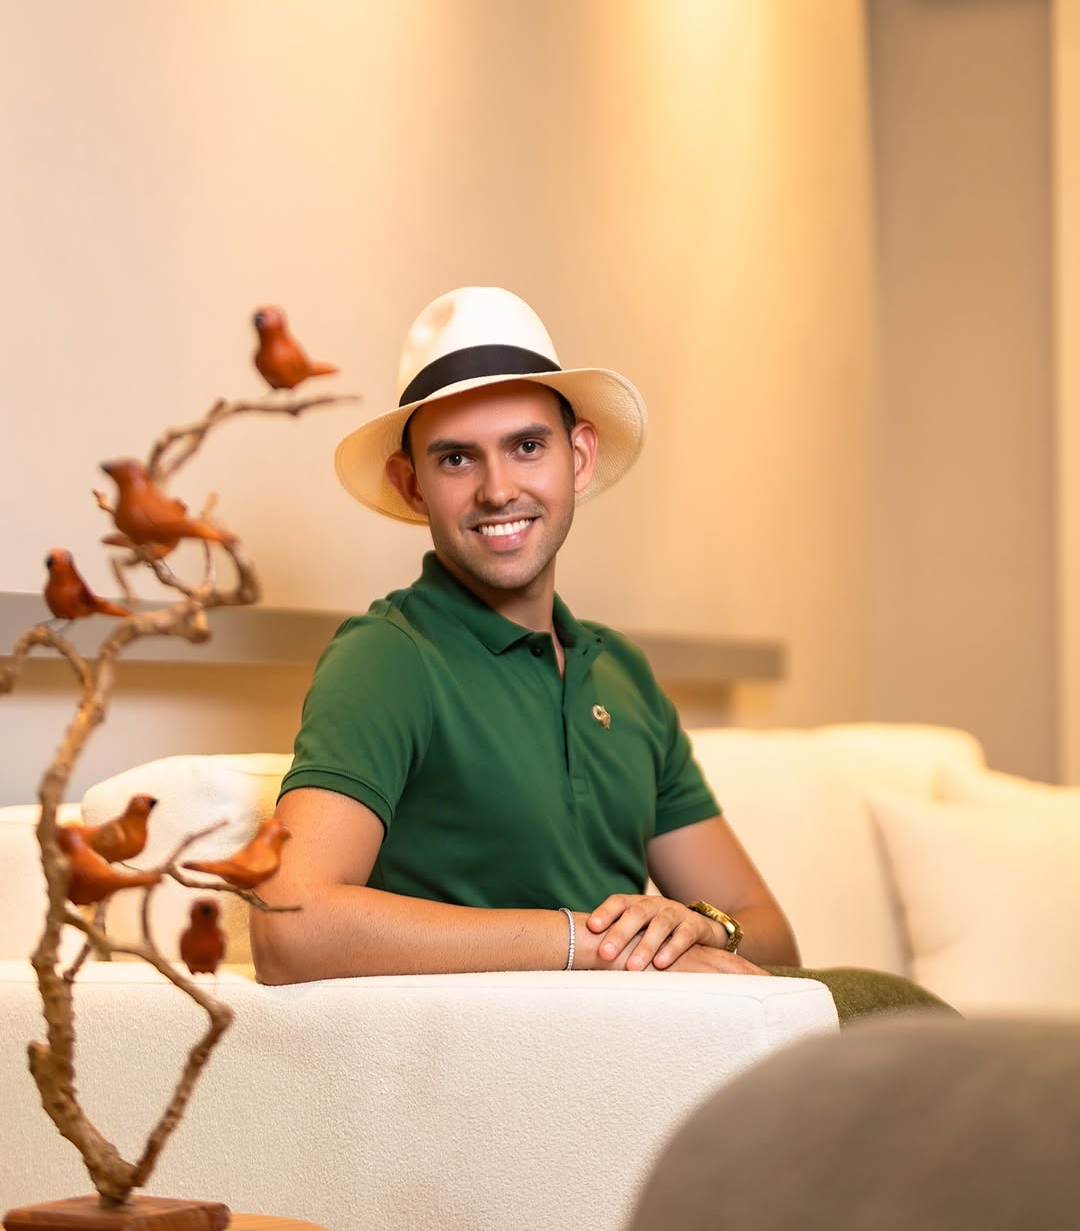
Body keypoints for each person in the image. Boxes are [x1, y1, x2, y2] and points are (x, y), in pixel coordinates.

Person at [252, 286, 949, 1020]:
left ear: (578, 457)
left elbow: (770, 934)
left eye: (527, 447)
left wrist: (700, 925)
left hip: (651, 1036)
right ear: (412, 486)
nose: (498, 490)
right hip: (520, 1047)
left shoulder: (621, 673)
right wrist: (588, 942)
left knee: (904, 1020)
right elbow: (288, 926)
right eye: (456, 459)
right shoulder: (387, 657)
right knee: (903, 1019)